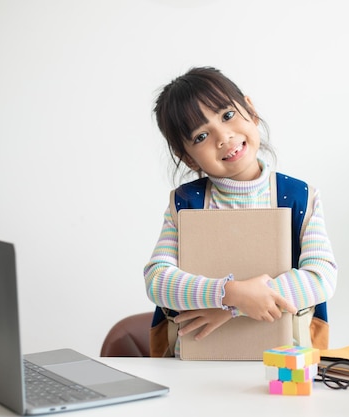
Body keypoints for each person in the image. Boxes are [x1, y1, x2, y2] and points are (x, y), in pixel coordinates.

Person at [144, 66, 337, 357]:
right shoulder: (184, 203)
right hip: (195, 370)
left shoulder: (300, 197)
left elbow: (321, 277)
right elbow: (157, 280)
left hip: (285, 366)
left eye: (227, 115)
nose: (223, 137)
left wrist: (233, 309)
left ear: (251, 110)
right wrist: (229, 294)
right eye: (200, 136)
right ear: (188, 158)